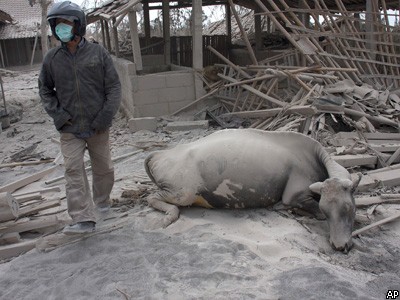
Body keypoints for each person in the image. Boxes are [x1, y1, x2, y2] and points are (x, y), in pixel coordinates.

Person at [39, 1, 121, 234]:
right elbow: (45, 90)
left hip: (98, 125)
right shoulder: (52, 59)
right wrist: (60, 117)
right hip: (70, 126)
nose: (60, 29)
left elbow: (114, 87)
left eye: (65, 23)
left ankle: (102, 201)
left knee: (104, 168)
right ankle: (83, 218)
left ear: (78, 25)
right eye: (57, 25)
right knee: (73, 170)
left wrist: (105, 117)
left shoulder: (98, 53)